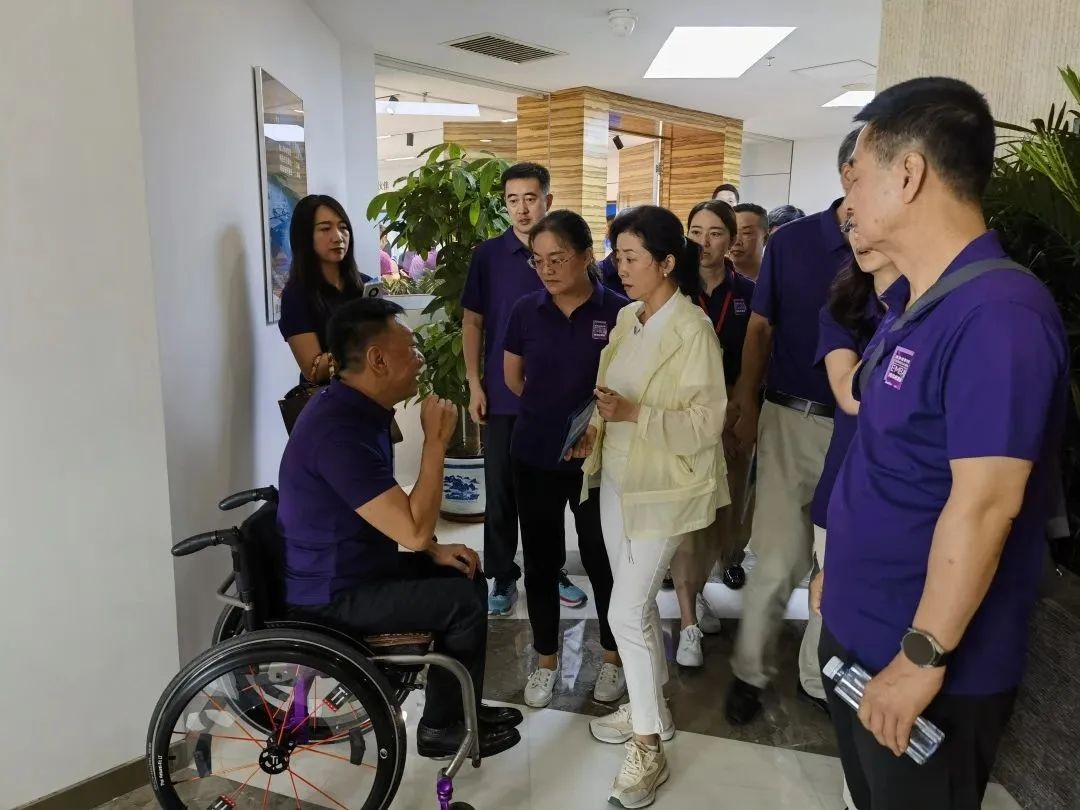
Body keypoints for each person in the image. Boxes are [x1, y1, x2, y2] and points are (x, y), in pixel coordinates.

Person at [818, 77, 1068, 810]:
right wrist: (839, 575)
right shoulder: (915, 305)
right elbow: (889, 461)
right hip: (862, 629)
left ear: (908, 174)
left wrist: (922, 655)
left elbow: (986, 505)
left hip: (924, 667)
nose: (848, 202)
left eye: (857, 177)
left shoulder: (999, 316)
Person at [277, 297, 524, 760]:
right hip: (331, 592)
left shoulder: (355, 409)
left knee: (465, 576)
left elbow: (388, 513)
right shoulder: (338, 432)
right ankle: (441, 728)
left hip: (357, 567)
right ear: (377, 359)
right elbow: (411, 531)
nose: (420, 359)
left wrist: (434, 550)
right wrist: (435, 443)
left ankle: (461, 709)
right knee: (458, 603)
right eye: (410, 348)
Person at [572, 205, 729, 808]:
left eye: (632, 257)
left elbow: (706, 423)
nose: (620, 266)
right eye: (618, 255)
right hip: (618, 478)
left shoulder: (692, 330)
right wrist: (595, 431)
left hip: (664, 487)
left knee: (624, 610)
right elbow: (609, 398)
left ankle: (648, 748)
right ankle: (651, 711)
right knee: (628, 604)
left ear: (666, 263)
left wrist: (636, 413)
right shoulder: (627, 319)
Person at [724, 128, 862, 726]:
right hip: (790, 418)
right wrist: (747, 402)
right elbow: (760, 329)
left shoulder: (898, 246)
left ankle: (816, 676)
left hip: (862, 433)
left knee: (839, 561)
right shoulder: (795, 243)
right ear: (849, 173)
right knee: (779, 557)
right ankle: (749, 670)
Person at [503, 210, 629, 709]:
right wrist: (551, 414)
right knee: (539, 560)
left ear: (586, 256)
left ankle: (613, 657)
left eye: (558, 258)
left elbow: (627, 388)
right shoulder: (525, 310)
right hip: (534, 453)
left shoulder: (620, 313)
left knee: (601, 558)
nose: (547, 270)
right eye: (538, 261)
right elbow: (514, 378)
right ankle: (546, 660)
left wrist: (589, 428)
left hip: (596, 460)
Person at [461, 162, 588, 615]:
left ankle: (550, 570)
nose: (521, 208)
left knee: (553, 492)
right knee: (500, 491)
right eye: (512, 200)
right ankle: (502, 575)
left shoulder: (567, 253)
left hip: (559, 400)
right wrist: (474, 383)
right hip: (502, 396)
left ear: (547, 200)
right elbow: (472, 322)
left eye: (530, 198)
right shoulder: (488, 256)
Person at [799, 233, 904, 715]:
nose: (861, 235)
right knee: (832, 602)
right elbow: (850, 394)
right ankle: (816, 683)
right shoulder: (842, 312)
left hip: (906, 493)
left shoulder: (939, 306)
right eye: (853, 226)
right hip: (848, 483)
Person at [668, 200, 756, 668]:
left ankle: (698, 590)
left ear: (731, 240)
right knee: (688, 520)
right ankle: (687, 621)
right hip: (686, 420)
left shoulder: (749, 293)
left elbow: (757, 358)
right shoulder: (673, 290)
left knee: (723, 519)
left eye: (716, 232)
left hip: (733, 420)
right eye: (696, 231)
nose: (704, 242)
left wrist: (739, 412)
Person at [278, 194, 371, 384]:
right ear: (305, 236)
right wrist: (360, 343)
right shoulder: (296, 296)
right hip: (329, 398)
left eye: (343, 227)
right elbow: (314, 371)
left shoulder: (367, 285)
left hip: (373, 393)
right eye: (325, 229)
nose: (338, 237)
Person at [729, 203, 768, 281]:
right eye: (731, 232)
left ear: (765, 239)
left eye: (746, 232)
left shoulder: (778, 281)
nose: (736, 242)